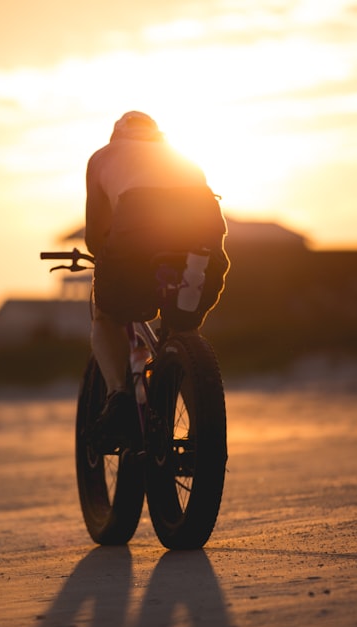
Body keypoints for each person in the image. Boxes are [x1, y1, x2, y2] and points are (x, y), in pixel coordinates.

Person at [85, 110, 229, 451]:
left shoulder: (104, 157)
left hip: (137, 220)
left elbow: (95, 236)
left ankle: (119, 396)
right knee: (182, 328)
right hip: (204, 225)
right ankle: (201, 434)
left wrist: (108, 263)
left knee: (107, 314)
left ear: (116, 136)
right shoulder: (184, 160)